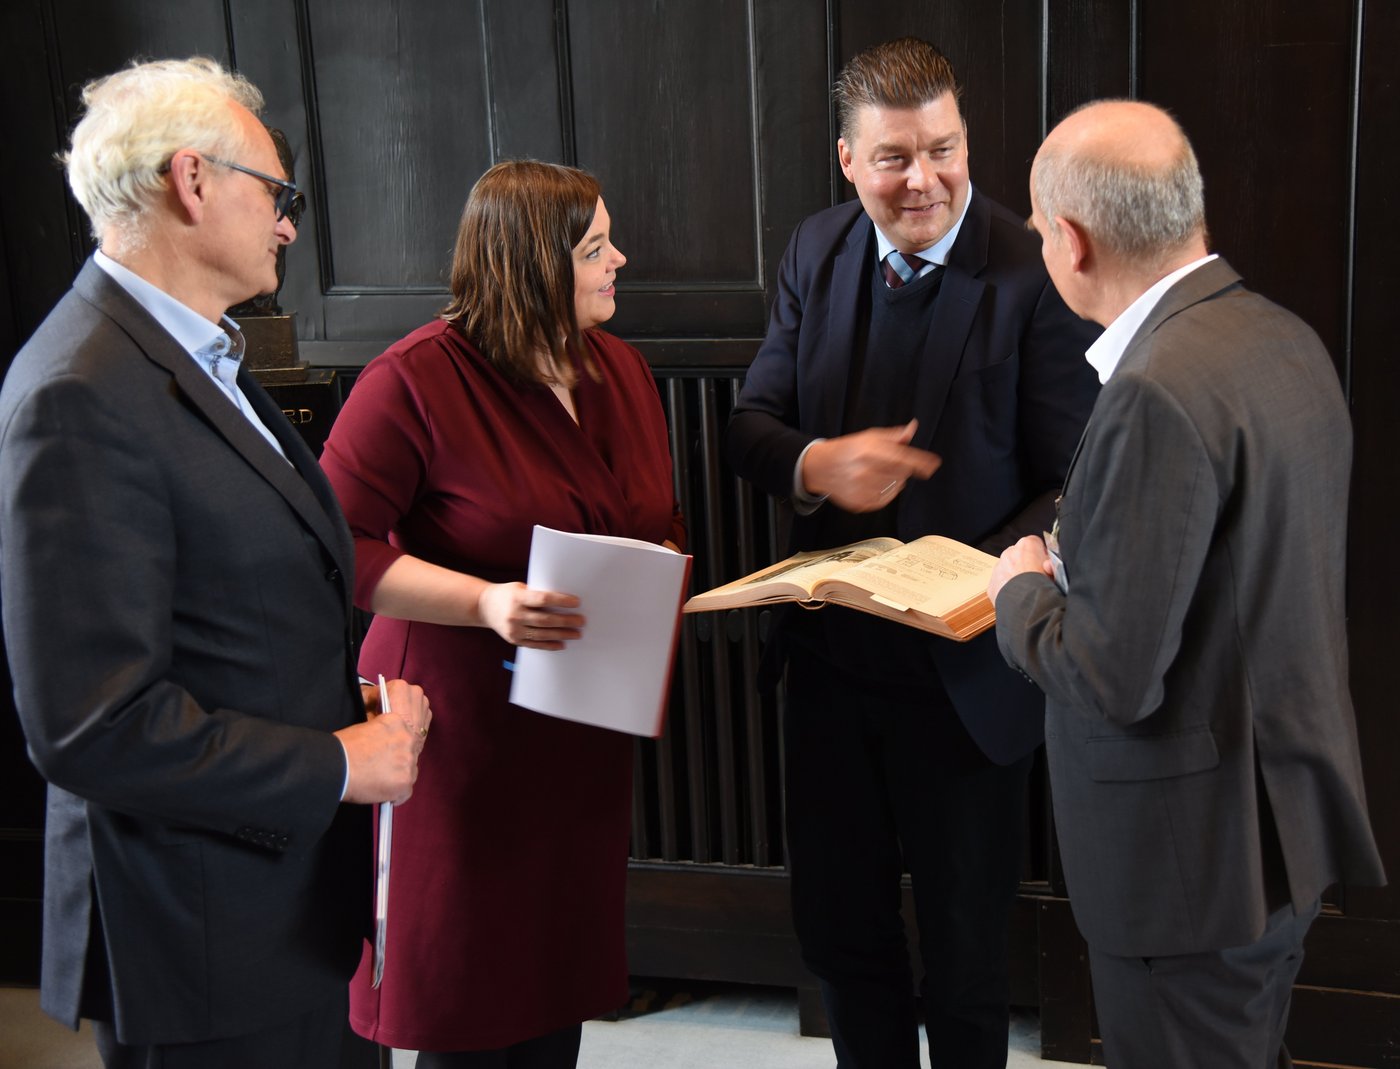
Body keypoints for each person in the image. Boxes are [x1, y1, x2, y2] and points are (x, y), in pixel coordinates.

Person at [0, 57, 431, 1069]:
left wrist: (348, 707)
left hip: (280, 906)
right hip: (200, 931)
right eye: (276, 194)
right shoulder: (77, 392)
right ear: (191, 181)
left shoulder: (201, 354)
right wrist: (339, 762)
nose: (288, 224)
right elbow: (91, 725)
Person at [724, 36, 1101, 1068]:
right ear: (846, 161)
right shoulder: (814, 249)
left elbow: (1072, 474)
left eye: (944, 149)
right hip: (828, 668)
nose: (924, 178)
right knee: (842, 940)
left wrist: (966, 571)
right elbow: (749, 421)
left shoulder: (1029, 268)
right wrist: (815, 462)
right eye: (893, 158)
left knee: (967, 957)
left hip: (963, 672)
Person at [988, 99, 1386, 1067]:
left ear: (1071, 242)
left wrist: (1020, 587)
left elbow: (1111, 675)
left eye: (1038, 235)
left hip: (1185, 864)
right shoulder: (1279, 337)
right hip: (1274, 827)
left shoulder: (1153, 391)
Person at [319, 159, 685, 1068]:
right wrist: (484, 601)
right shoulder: (412, 379)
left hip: (579, 726)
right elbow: (339, 548)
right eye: (596, 247)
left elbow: (657, 523)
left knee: (554, 983)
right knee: (470, 1001)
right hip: (458, 735)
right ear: (530, 264)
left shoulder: (621, 368)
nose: (620, 261)